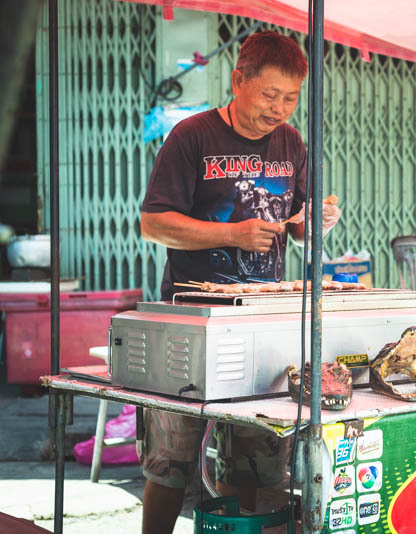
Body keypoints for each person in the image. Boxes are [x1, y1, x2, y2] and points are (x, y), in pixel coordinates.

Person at [139, 31, 339, 534]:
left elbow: (296, 224)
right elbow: (154, 223)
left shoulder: (291, 143)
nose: (280, 108)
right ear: (238, 80)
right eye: (269, 94)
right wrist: (231, 233)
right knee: (170, 463)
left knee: (252, 458)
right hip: (193, 326)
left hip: (260, 322)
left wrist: (313, 221)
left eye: (291, 98)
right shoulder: (192, 137)